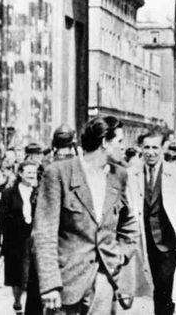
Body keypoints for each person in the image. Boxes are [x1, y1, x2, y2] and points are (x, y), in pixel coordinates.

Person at [33, 114, 138, 315]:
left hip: (105, 282)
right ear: (104, 143)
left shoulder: (119, 176)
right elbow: (45, 234)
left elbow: (129, 226)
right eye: (119, 141)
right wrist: (49, 285)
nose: (123, 147)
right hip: (66, 284)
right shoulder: (59, 173)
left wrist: (120, 256)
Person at [128, 127, 176, 315]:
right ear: (141, 149)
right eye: (147, 147)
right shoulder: (133, 174)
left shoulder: (175, 173)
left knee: (164, 284)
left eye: (155, 148)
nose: (150, 152)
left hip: (168, 240)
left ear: (162, 149)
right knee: (153, 286)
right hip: (144, 240)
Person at [0, 159, 40, 313]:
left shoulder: (39, 192)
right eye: (29, 172)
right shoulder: (8, 193)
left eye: (34, 172)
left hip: (33, 238)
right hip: (15, 240)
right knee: (16, 275)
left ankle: (32, 304)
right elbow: (5, 217)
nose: (32, 175)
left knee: (33, 274)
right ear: (21, 173)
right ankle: (17, 302)